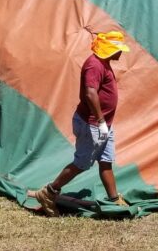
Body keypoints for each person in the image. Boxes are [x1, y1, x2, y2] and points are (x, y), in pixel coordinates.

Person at [30, 31, 131, 216]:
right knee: (82, 163)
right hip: (92, 125)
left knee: (106, 161)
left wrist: (104, 124)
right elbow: (90, 93)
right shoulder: (94, 65)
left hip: (104, 125)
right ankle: (49, 192)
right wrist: (100, 122)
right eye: (119, 49)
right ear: (109, 49)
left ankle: (114, 199)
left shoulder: (104, 63)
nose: (121, 53)